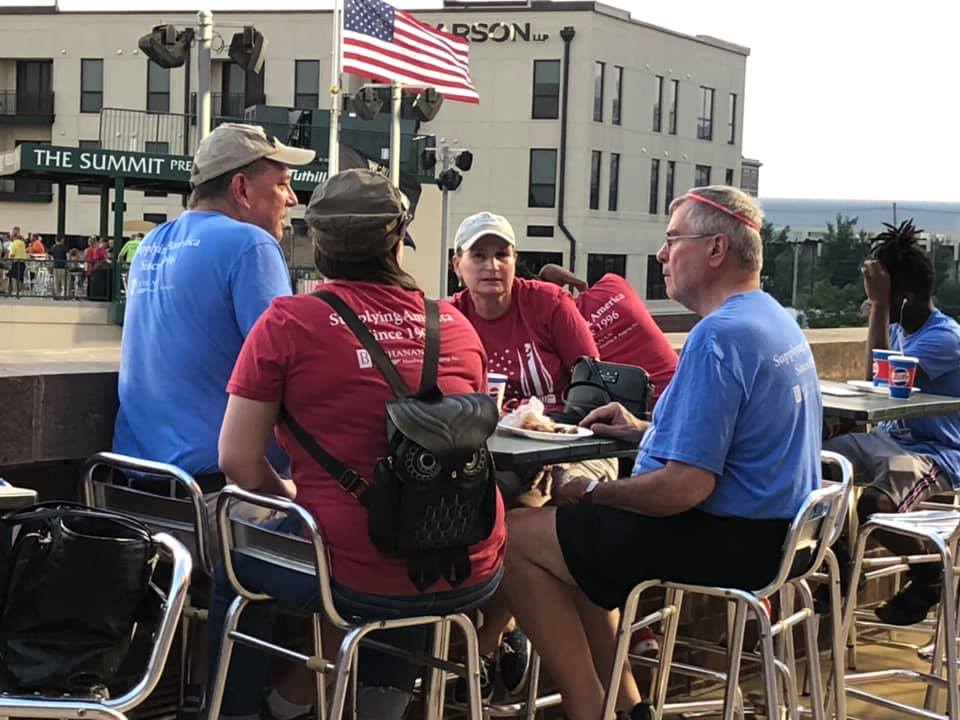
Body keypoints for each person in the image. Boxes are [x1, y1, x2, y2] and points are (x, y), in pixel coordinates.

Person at [503, 186, 823, 720]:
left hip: (727, 537)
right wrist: (644, 431)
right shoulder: (771, 319)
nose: (661, 253)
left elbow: (684, 488)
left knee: (518, 537)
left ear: (716, 249)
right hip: (778, 534)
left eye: (673, 239)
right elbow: (729, 437)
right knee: (573, 547)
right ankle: (628, 709)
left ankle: (589, 709)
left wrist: (593, 491)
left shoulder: (718, 337)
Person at [210, 168, 506, 720]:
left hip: (349, 569)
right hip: (469, 563)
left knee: (235, 560)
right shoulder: (456, 325)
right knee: (412, 541)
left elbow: (237, 460)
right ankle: (377, 709)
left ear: (320, 243)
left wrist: (292, 499)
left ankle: (238, 713)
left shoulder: (289, 322)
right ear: (398, 241)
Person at [112, 122, 314, 482]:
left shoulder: (151, 243)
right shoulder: (250, 243)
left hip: (135, 479)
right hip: (219, 495)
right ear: (241, 188)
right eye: (282, 183)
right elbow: (290, 368)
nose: (293, 198)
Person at [825, 219, 960, 626]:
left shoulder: (945, 339)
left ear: (907, 296)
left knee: (874, 505)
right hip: (886, 439)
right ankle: (839, 562)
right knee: (813, 460)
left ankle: (929, 572)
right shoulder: (900, 329)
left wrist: (879, 307)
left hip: (934, 454)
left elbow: (877, 385)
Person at [538, 264, 678, 404]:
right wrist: (579, 283)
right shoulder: (613, 284)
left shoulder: (561, 329)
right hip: (685, 385)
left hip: (646, 412)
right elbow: (583, 287)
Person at [6, 231, 27, 296]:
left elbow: (12, 254)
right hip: (23, 262)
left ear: (13, 236)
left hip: (16, 262)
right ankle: (20, 291)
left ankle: (15, 291)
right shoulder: (22, 243)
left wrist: (9, 259)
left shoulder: (14, 243)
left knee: (14, 277)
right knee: (20, 278)